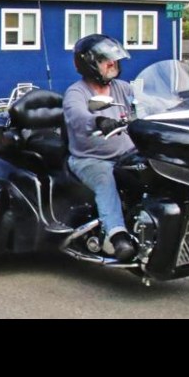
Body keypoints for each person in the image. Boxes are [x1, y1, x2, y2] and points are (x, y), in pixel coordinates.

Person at [63, 34, 138, 262]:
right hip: (91, 159)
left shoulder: (123, 88)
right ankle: (117, 236)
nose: (112, 64)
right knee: (105, 179)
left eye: (114, 59)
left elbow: (146, 103)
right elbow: (77, 116)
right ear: (90, 64)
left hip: (128, 155)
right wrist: (97, 121)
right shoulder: (77, 92)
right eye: (106, 59)